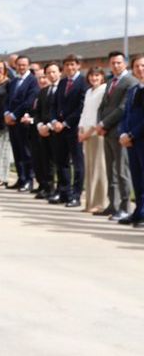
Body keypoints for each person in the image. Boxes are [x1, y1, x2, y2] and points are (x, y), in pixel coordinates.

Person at [96, 51, 138, 221]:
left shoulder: (130, 82)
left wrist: (104, 124)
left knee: (122, 171)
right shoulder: (110, 81)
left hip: (118, 131)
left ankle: (125, 206)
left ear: (125, 64)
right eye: (113, 63)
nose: (115, 65)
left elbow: (122, 108)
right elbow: (103, 106)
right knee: (110, 170)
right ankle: (112, 204)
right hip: (106, 132)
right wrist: (100, 123)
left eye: (119, 62)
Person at [50, 54, 87, 207]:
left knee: (78, 163)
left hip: (73, 128)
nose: (69, 68)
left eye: (72, 64)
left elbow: (80, 107)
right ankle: (64, 192)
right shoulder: (63, 82)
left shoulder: (83, 82)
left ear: (78, 65)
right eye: (66, 65)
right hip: (59, 128)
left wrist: (65, 123)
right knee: (61, 162)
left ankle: (76, 195)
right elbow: (55, 104)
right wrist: (54, 121)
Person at [4, 55, 39, 192]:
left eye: (24, 65)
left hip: (23, 121)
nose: (21, 67)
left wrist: (13, 115)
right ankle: (21, 178)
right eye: (19, 65)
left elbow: (29, 102)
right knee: (16, 151)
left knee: (26, 152)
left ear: (28, 65)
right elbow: (7, 100)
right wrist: (6, 113)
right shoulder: (13, 81)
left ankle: (28, 180)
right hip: (12, 122)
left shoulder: (32, 81)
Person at [118, 53, 144, 227]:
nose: (140, 69)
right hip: (131, 141)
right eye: (137, 66)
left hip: (141, 139)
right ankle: (138, 211)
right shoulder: (134, 90)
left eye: (143, 66)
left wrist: (133, 134)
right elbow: (126, 114)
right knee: (136, 177)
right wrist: (123, 133)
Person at [77, 67, 108, 213]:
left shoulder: (104, 90)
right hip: (85, 133)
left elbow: (99, 114)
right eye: (91, 75)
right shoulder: (89, 91)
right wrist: (80, 130)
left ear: (102, 76)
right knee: (89, 168)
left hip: (96, 133)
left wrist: (89, 132)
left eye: (97, 75)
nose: (94, 78)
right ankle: (89, 202)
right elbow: (85, 112)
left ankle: (100, 203)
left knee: (99, 168)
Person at [34, 64, 63, 201]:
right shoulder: (44, 91)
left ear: (59, 73)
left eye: (54, 72)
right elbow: (38, 112)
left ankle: (60, 189)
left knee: (58, 161)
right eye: (48, 73)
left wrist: (50, 126)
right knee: (45, 160)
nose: (51, 75)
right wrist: (40, 125)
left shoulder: (63, 90)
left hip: (57, 130)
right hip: (43, 131)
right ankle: (48, 187)